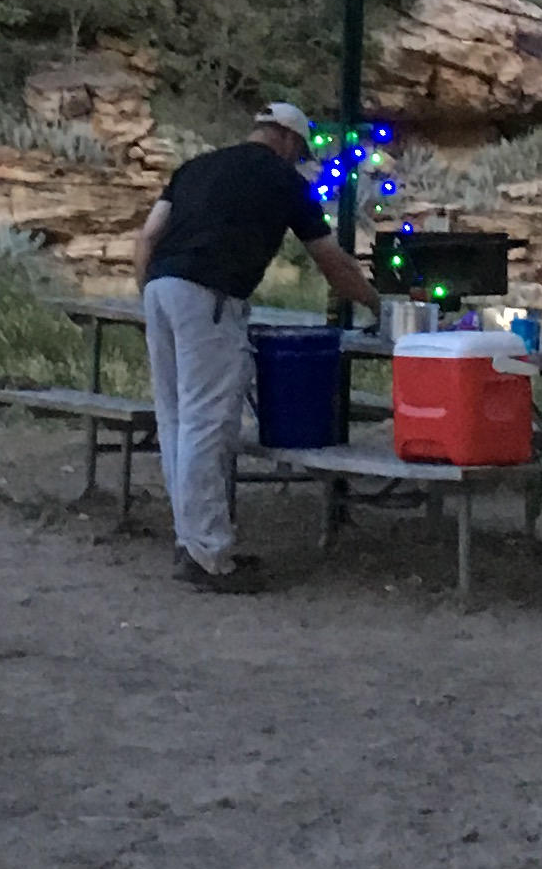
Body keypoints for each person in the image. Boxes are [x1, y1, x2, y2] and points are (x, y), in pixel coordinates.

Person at [131, 100, 379, 590]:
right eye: (299, 149)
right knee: (207, 423)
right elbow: (331, 262)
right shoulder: (284, 181)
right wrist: (375, 302)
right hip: (210, 295)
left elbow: (147, 238)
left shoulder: (194, 167)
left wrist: (151, 295)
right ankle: (209, 556)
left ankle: (192, 540)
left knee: (176, 419)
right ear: (288, 140)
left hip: (160, 289)